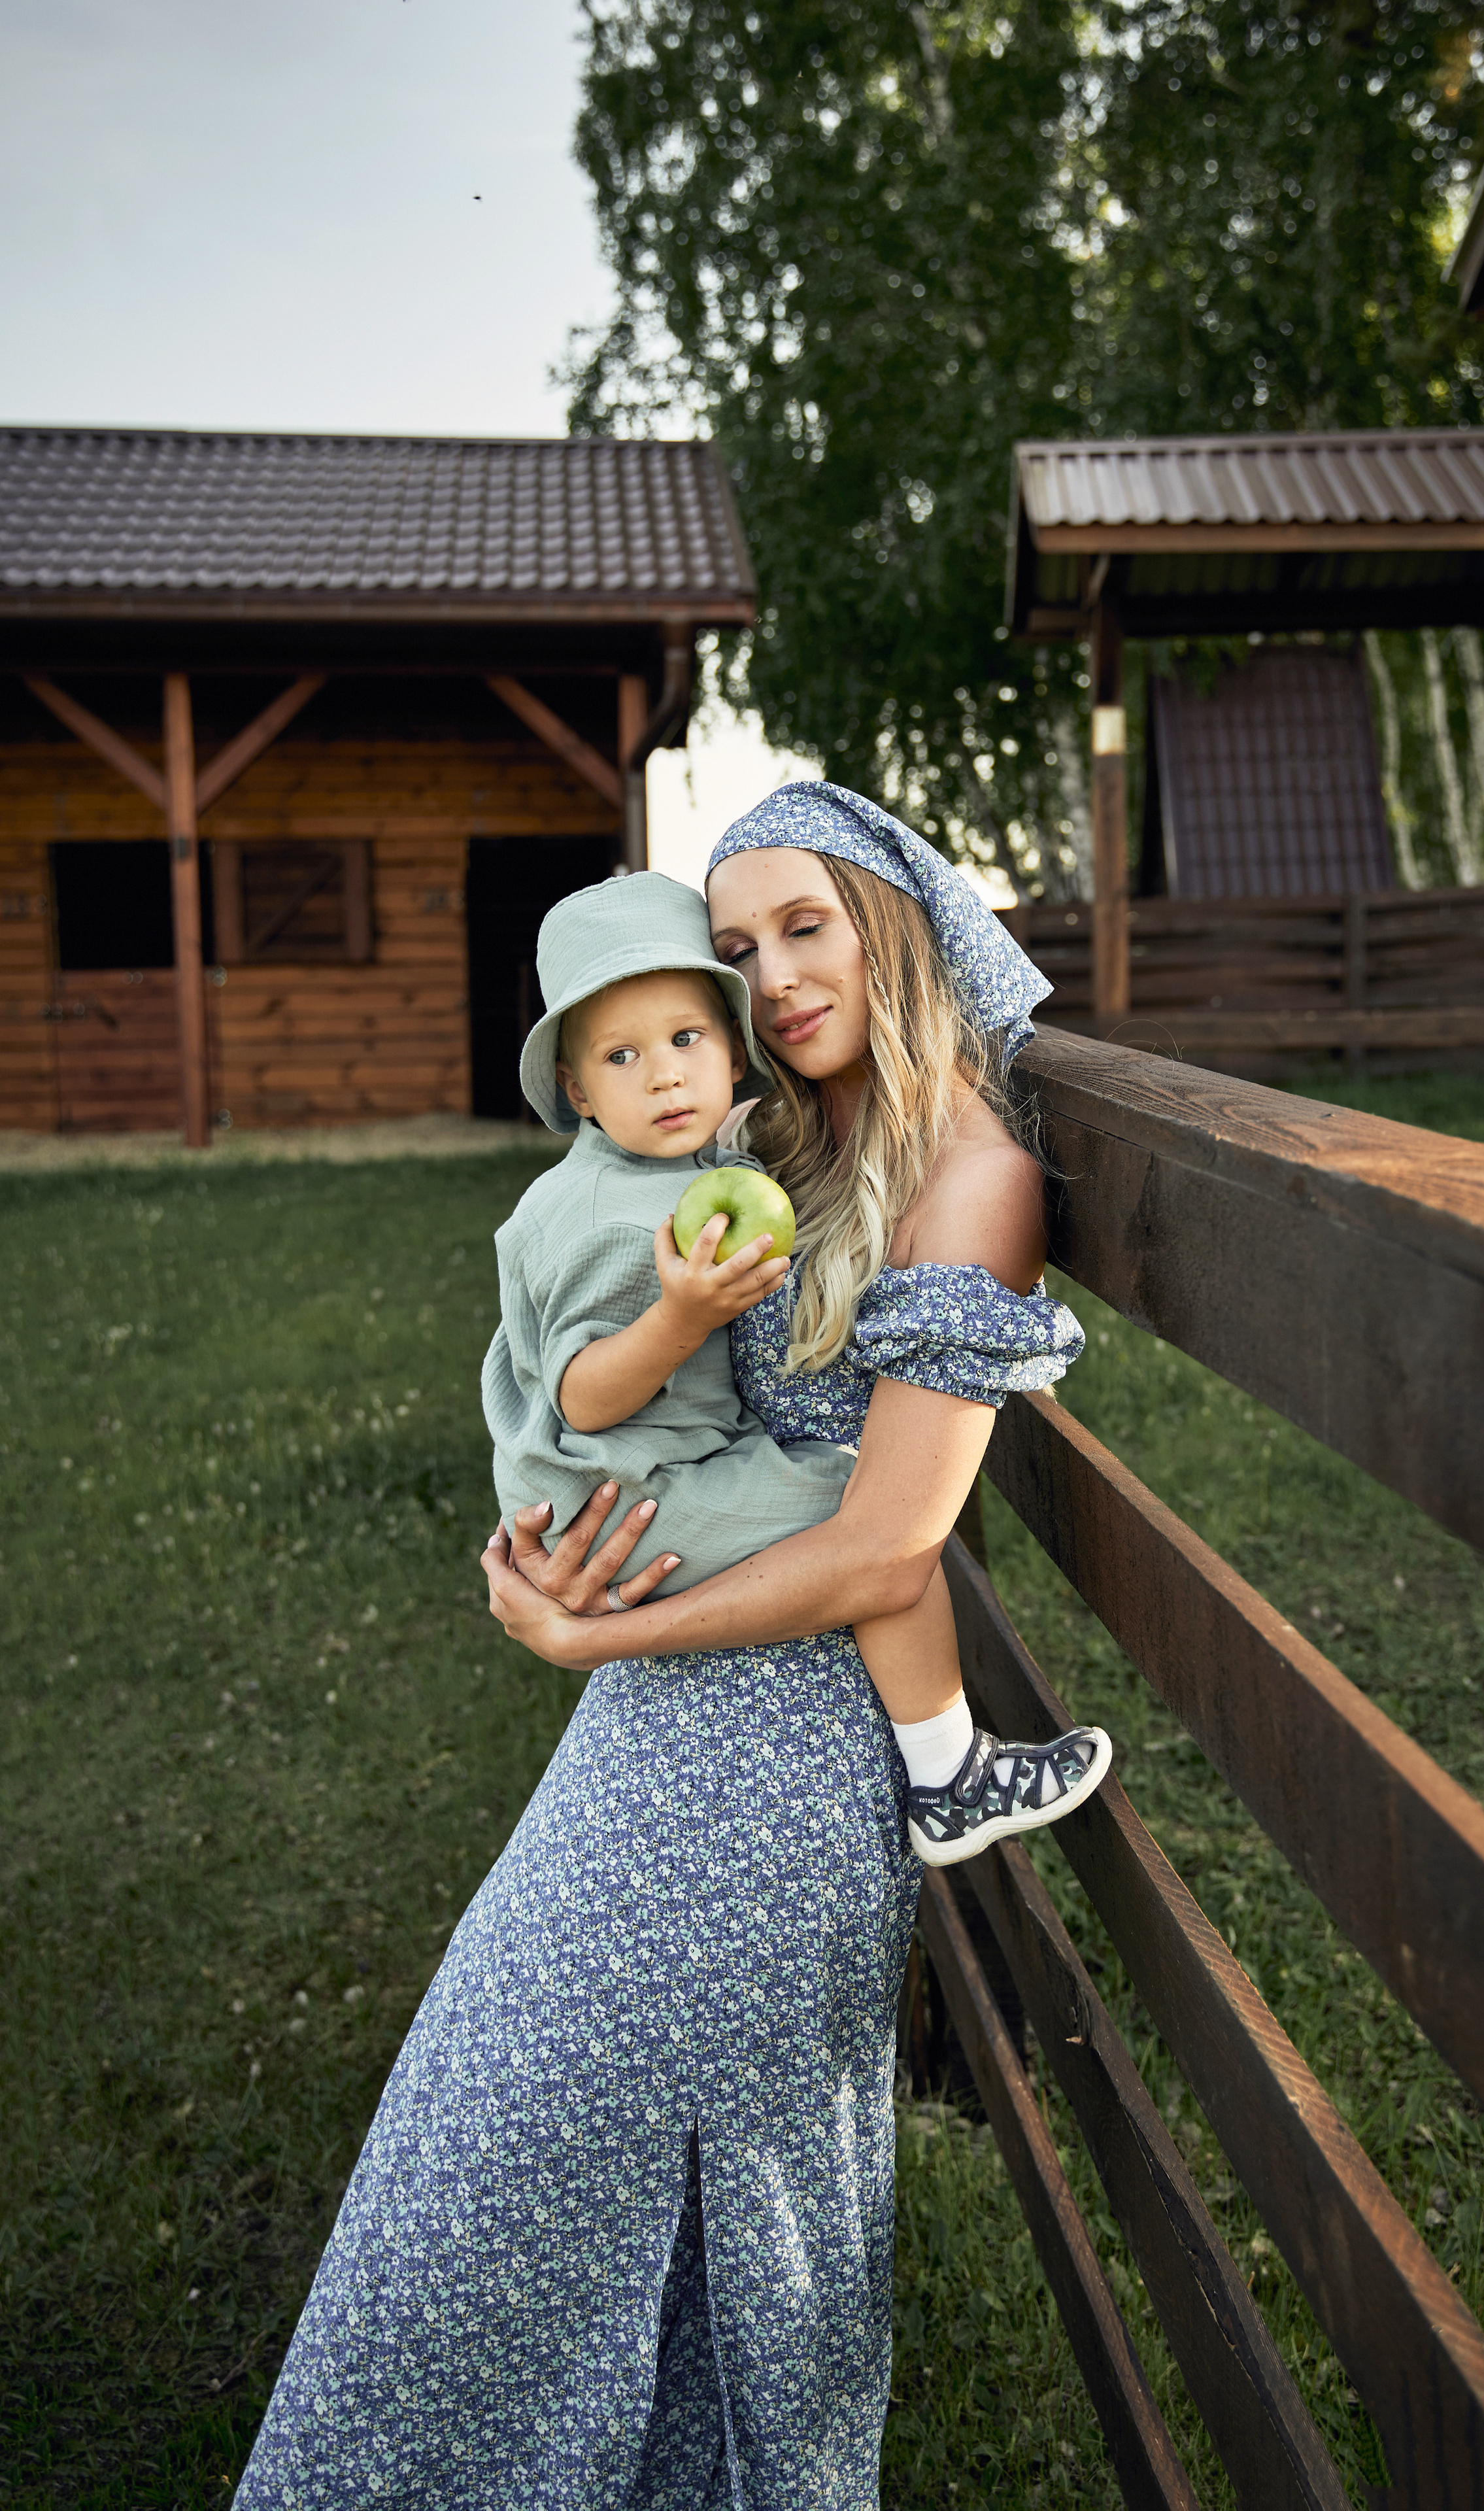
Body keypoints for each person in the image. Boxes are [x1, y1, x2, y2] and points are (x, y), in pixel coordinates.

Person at [233, 784, 1102, 2511]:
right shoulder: (776, 1148)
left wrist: (590, 1624)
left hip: (780, 1767)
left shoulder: (970, 1181)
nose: (769, 977)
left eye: (805, 927)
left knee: (532, 2135)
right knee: (487, 2130)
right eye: (735, 949)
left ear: (891, 923)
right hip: (667, 1715)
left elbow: (885, 1541)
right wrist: (553, 1517)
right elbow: (611, 1360)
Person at [482, 868, 1109, 1864]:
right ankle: (948, 1776)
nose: (663, 1076)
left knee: (875, 1524)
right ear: (577, 1088)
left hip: (649, 1505)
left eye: (687, 1039)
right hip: (638, 1494)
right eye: (622, 1055)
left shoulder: (702, 1170)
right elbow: (580, 1395)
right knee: (857, 1502)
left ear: (730, 1050)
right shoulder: (620, 1214)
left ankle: (944, 1769)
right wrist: (680, 1321)